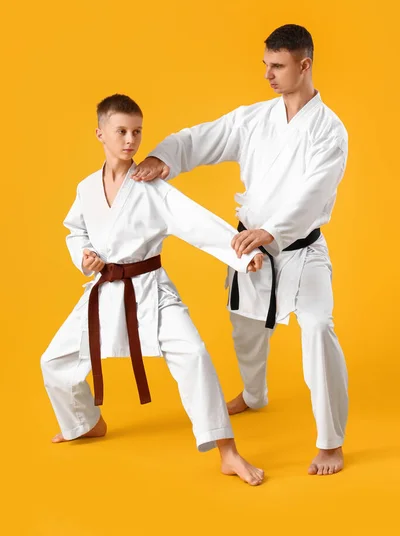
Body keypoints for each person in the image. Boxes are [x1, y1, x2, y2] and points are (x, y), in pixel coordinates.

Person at [132, 24, 349, 476]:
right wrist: (163, 158)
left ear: (304, 65)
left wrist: (273, 230)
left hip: (301, 249)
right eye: (265, 65)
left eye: (278, 66)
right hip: (250, 245)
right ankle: (253, 395)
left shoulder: (329, 131)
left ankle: (330, 443)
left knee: (317, 330)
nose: (268, 75)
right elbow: (200, 138)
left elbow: (314, 193)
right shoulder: (254, 119)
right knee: (244, 328)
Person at [41, 94, 265, 486]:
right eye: (122, 131)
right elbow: (75, 230)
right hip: (104, 290)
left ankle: (228, 452)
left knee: (194, 355)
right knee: (54, 362)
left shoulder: (151, 187)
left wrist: (243, 254)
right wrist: (85, 255)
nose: (131, 140)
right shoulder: (86, 188)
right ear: (100, 133)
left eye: (137, 132)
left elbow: (196, 223)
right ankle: (84, 423)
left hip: (149, 292)